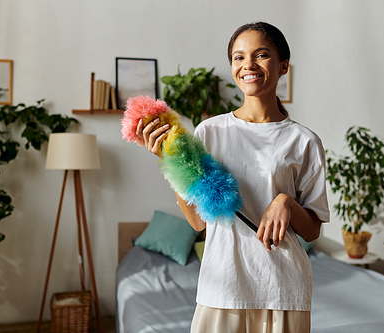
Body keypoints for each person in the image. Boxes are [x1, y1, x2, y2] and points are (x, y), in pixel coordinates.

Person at [138, 21, 330, 333]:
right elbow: (199, 222)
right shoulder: (210, 132)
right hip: (223, 285)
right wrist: (169, 161)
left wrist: (287, 204)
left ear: (283, 67)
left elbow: (311, 232)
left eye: (261, 55)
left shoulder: (304, 141)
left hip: (283, 289)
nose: (248, 65)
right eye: (238, 57)